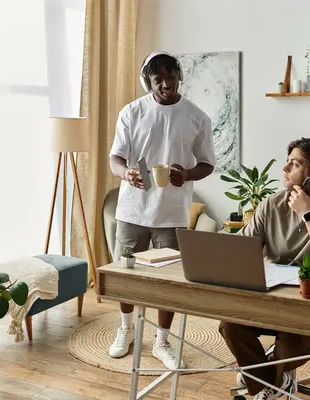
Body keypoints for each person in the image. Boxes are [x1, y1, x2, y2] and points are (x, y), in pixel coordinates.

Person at [219, 138, 310, 400]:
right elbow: (241, 250)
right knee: (230, 325)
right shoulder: (272, 204)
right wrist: (218, 244)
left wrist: (309, 215)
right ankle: (273, 381)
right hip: (270, 295)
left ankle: (262, 381)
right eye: (288, 161)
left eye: (295, 164)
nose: (284, 168)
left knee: (292, 340)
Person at [108, 51, 216, 369]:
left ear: (179, 76)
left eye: (171, 77)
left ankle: (162, 341)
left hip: (173, 212)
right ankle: (126, 330)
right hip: (131, 209)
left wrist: (187, 175)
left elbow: (207, 164)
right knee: (125, 275)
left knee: (168, 280)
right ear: (148, 82)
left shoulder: (197, 117)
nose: (166, 84)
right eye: (158, 79)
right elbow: (116, 157)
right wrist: (124, 173)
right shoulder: (132, 112)